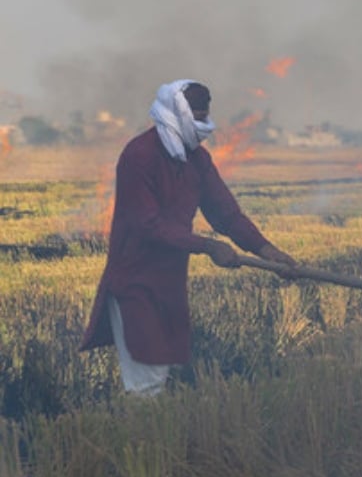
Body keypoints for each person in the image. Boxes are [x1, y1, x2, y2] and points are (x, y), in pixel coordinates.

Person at [80, 79, 297, 395]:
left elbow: (226, 214)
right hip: (134, 277)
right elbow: (149, 224)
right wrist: (208, 246)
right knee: (147, 379)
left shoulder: (198, 159)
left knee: (161, 369)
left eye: (204, 116)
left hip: (168, 278)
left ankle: (153, 436)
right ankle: (142, 441)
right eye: (195, 116)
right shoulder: (139, 155)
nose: (203, 125)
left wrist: (267, 250)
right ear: (175, 114)